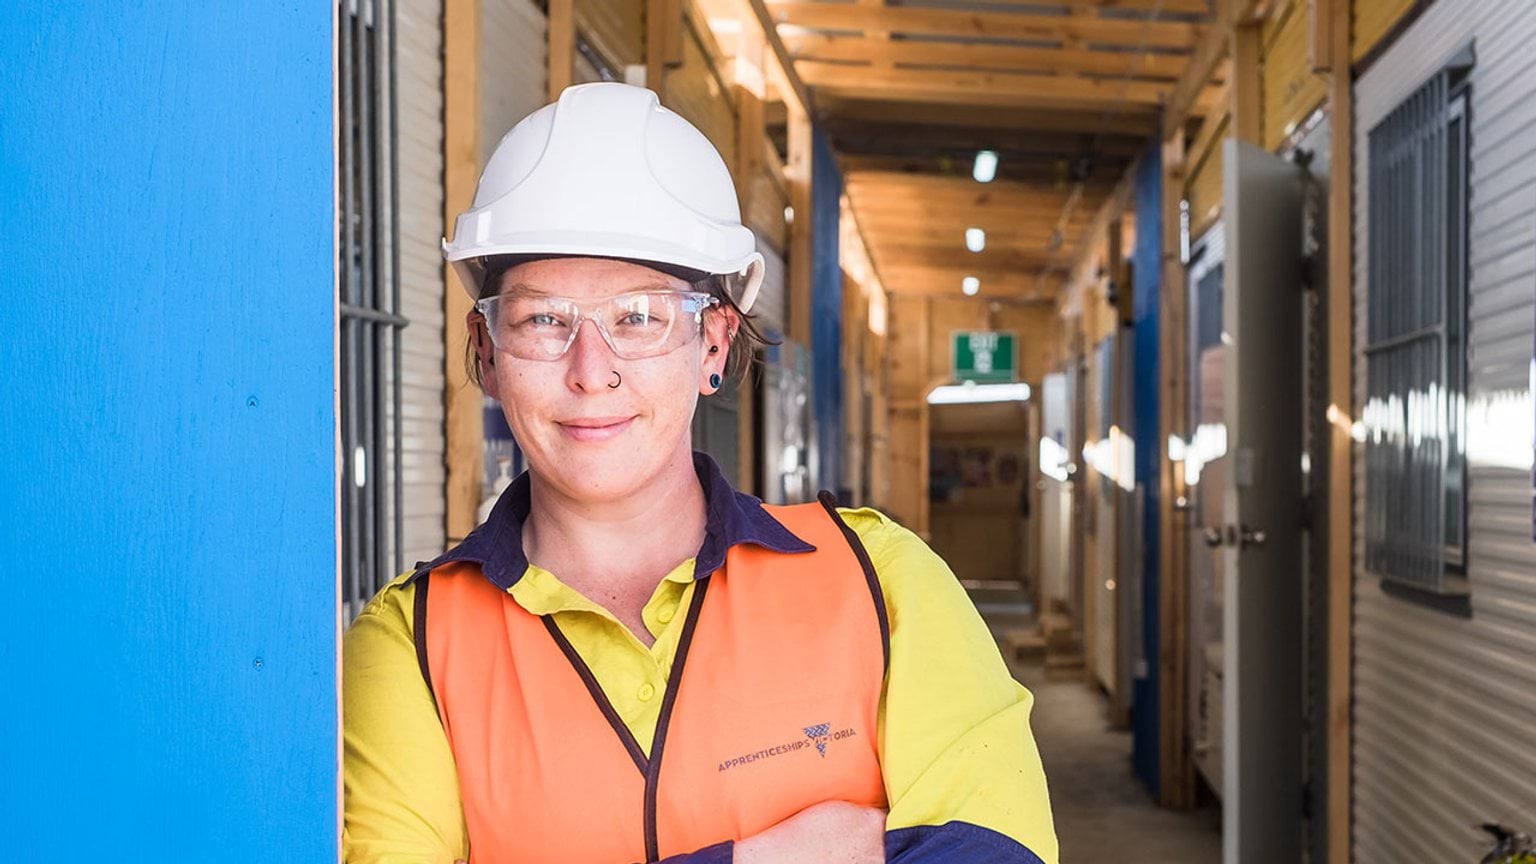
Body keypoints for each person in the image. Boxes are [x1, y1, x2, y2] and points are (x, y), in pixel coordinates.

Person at [342, 82, 1057, 864]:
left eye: (639, 318)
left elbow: (996, 852)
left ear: (713, 345)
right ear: (489, 352)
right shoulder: (412, 644)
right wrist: (761, 859)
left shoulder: (878, 580)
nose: (592, 372)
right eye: (543, 319)